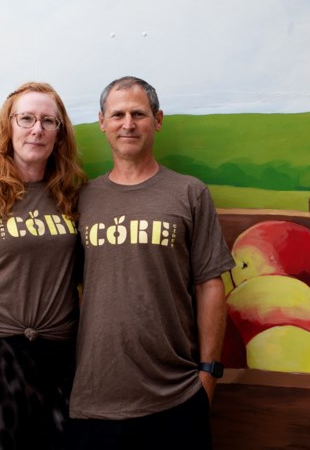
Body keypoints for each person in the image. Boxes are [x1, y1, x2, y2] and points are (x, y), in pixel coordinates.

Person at [67, 76, 236, 450]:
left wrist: (208, 376)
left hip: (175, 397)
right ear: (102, 122)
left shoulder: (189, 193)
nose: (128, 124)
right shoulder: (82, 199)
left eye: (138, 114)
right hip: (94, 401)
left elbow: (210, 285)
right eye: (118, 114)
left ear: (157, 120)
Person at [0, 81, 87, 450]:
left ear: (59, 133)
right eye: (26, 119)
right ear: (8, 127)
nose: (36, 129)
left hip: (59, 360)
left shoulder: (73, 198)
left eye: (48, 121)